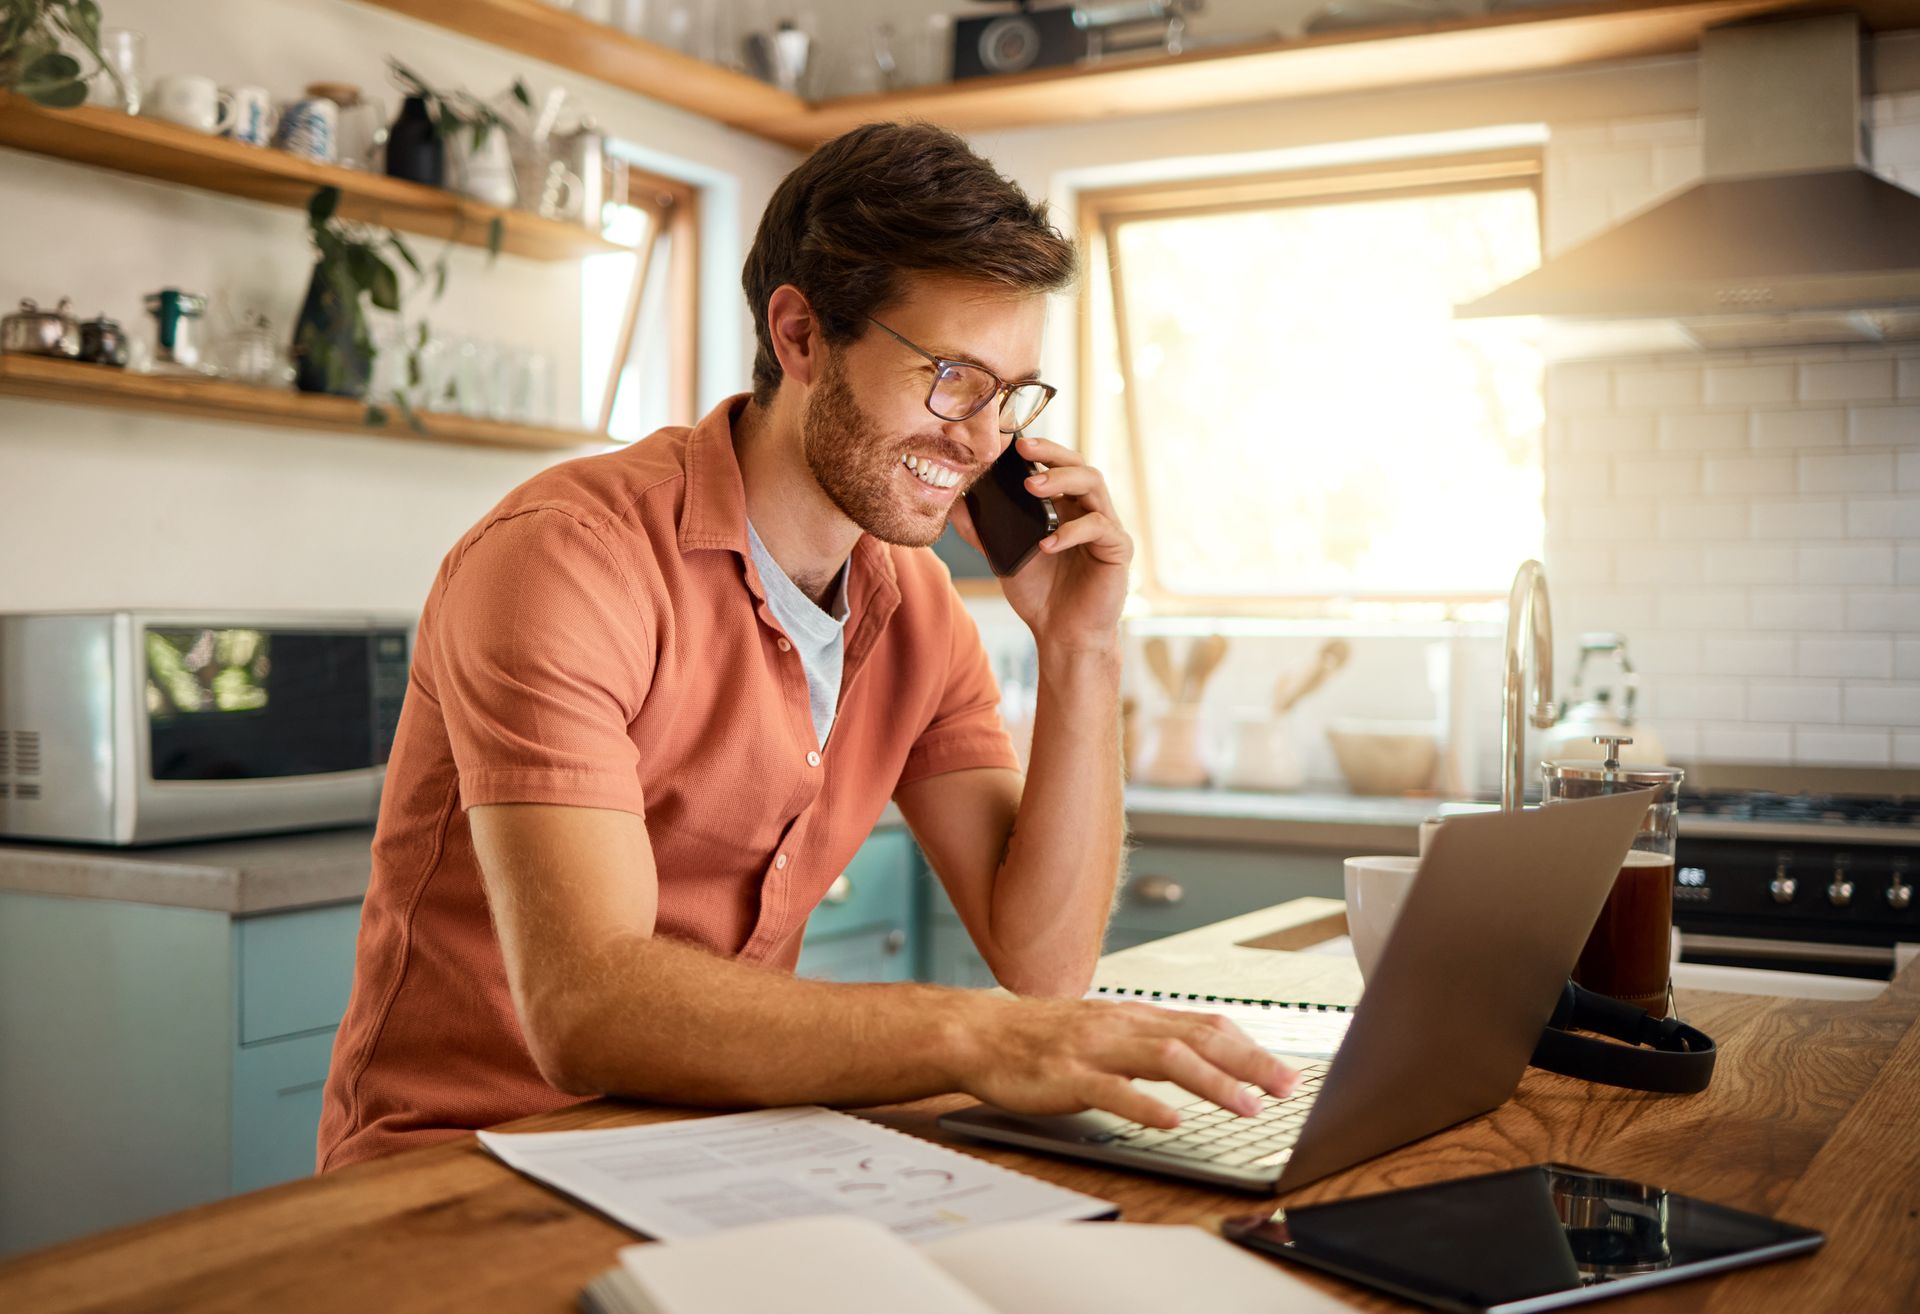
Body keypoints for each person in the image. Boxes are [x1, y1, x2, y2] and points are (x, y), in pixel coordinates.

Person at [317, 122, 1293, 1171]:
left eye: (1009, 394)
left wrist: (1083, 647)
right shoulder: (565, 560)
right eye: (953, 376)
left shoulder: (918, 609)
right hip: (465, 1167)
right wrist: (979, 1038)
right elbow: (585, 1005)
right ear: (801, 337)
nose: (983, 440)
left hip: (716, 1154)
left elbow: (1045, 962)